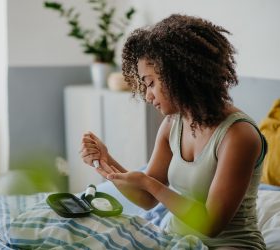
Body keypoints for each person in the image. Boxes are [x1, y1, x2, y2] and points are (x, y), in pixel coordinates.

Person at [80, 14, 267, 249]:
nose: (147, 96)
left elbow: (211, 224)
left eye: (150, 84)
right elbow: (147, 200)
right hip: (175, 238)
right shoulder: (172, 124)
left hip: (228, 244)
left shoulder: (239, 135)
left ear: (177, 75)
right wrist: (106, 163)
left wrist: (150, 184)